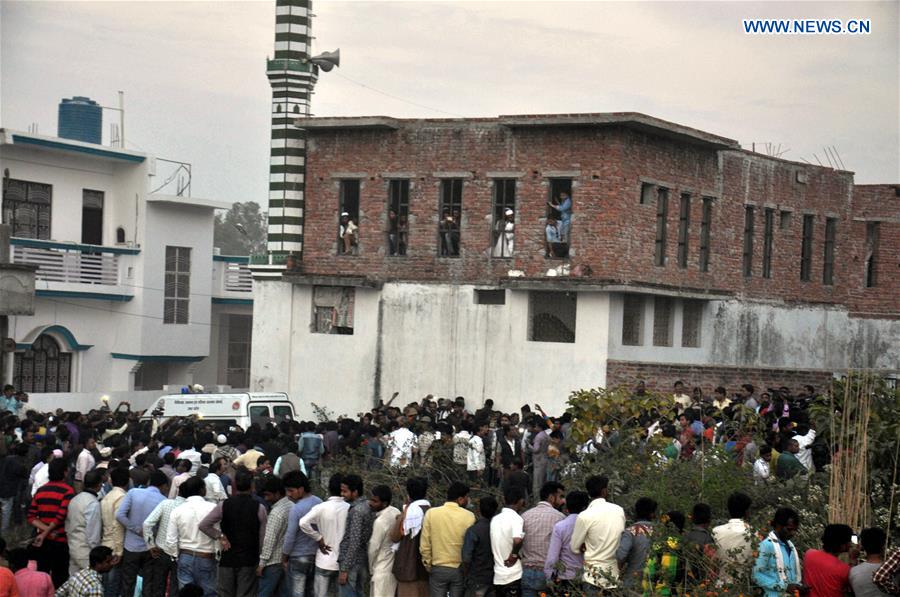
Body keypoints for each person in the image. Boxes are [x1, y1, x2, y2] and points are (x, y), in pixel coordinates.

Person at [198, 468, 268, 597]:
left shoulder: (223, 505)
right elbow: (263, 538)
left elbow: (204, 525)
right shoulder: (259, 508)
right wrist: (261, 561)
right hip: (249, 559)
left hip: (227, 559)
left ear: (235, 485)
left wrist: (220, 536)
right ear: (252, 485)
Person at [116, 470, 169, 597]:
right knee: (148, 584)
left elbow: (120, 515)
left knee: (128, 583)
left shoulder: (133, 493)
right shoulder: (163, 501)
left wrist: (136, 529)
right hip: (150, 549)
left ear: (150, 482)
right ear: (163, 486)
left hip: (131, 546)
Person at [571, 474, 626, 591]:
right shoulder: (619, 511)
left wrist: (585, 546)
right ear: (604, 491)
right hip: (614, 575)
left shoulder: (584, 516)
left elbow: (574, 548)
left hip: (592, 577)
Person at [164, 477, 218, 596]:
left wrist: (176, 557)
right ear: (202, 490)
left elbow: (171, 540)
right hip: (207, 556)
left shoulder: (177, 510)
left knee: (186, 594)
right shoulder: (213, 508)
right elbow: (218, 533)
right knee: (208, 593)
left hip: (185, 556)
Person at [420, 481, 475, 597]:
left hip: (438, 568)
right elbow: (471, 546)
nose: (467, 500)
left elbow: (425, 544)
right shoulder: (469, 516)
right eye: (466, 498)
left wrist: (428, 565)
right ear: (460, 499)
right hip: (459, 569)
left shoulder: (431, 513)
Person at [298, 474, 350, 597]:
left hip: (324, 559)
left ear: (329, 489)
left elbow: (303, 522)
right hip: (343, 562)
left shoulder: (320, 507)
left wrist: (318, 538)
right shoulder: (350, 508)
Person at [27, 458, 74, 587]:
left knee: (42, 576)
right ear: (65, 472)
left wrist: (43, 532)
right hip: (60, 541)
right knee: (60, 578)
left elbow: (31, 517)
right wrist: (49, 531)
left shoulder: (40, 491)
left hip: (43, 542)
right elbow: (61, 516)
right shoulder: (68, 491)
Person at [280, 470, 322, 597]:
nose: (288, 494)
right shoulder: (319, 502)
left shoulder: (296, 509)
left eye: (291, 490)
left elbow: (290, 536)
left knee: (297, 593)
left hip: (298, 556)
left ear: (301, 489)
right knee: (311, 591)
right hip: (316, 555)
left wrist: (284, 557)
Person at [519, 481, 565, 597]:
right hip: (547, 573)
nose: (562, 501)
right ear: (551, 497)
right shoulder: (559, 518)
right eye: (560, 497)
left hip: (526, 571)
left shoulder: (525, 516)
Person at [390, 477, 431, 597]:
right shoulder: (431, 511)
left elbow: (394, 537)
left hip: (407, 566)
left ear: (408, 493)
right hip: (425, 568)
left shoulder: (408, 512)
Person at [752, 507, 803, 597]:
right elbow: (756, 575)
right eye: (789, 529)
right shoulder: (766, 545)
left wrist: (798, 586)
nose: (793, 533)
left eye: (795, 530)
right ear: (778, 526)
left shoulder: (790, 546)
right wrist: (784, 586)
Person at [337, 474, 374, 597]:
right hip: (362, 560)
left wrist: (344, 569)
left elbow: (354, 542)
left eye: (345, 491)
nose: (342, 494)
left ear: (355, 492)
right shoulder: (368, 506)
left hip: (352, 563)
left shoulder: (357, 511)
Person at [544, 490, 588, 591]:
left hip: (566, 578)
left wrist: (549, 576)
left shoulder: (560, 527)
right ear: (585, 508)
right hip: (587, 578)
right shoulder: (591, 527)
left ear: (567, 508)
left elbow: (552, 557)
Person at [64, 469, 103, 575]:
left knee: (74, 583)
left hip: (73, 547)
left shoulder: (75, 499)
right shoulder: (92, 503)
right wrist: (97, 552)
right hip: (86, 551)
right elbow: (93, 533)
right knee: (89, 583)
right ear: (99, 485)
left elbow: (67, 525)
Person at [490, 486, 526, 596]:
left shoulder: (495, 519)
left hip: (498, 576)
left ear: (504, 500)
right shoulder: (516, 518)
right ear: (521, 501)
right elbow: (517, 540)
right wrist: (514, 555)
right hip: (513, 574)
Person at [616, 496, 658, 590]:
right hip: (654, 584)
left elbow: (621, 555)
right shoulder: (660, 532)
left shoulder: (631, 531)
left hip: (632, 582)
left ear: (636, 512)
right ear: (652, 514)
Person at [713, 491, 754, 585]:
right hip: (744, 587)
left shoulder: (716, 531)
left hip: (720, 586)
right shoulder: (754, 533)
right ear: (747, 512)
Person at [803, 523, 855, 597]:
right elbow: (855, 585)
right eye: (849, 541)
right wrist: (853, 559)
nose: (850, 544)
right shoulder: (844, 569)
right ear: (842, 544)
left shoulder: (809, 554)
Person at [100, 466, 129, 596]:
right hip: (114, 545)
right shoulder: (122, 497)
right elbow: (118, 525)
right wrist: (119, 550)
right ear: (128, 481)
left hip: (105, 542)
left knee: (106, 584)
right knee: (113, 585)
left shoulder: (107, 496)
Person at [366, 485, 399, 597]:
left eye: (375, 501)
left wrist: (371, 569)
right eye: (371, 499)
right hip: (392, 567)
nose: (370, 503)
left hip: (381, 570)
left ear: (384, 504)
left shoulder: (380, 522)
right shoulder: (395, 511)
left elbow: (373, 549)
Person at [462, 496, 498, 597]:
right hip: (494, 577)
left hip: (476, 578)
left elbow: (466, 558)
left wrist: (466, 575)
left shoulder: (473, 530)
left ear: (479, 510)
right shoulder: (498, 529)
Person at [849, 527, 890, 596]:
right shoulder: (894, 571)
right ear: (883, 545)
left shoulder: (853, 572)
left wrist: (853, 559)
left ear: (863, 546)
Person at [683, 503, 716, 584]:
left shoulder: (685, 536)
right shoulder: (707, 539)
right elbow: (711, 566)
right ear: (709, 520)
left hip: (685, 583)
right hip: (700, 584)